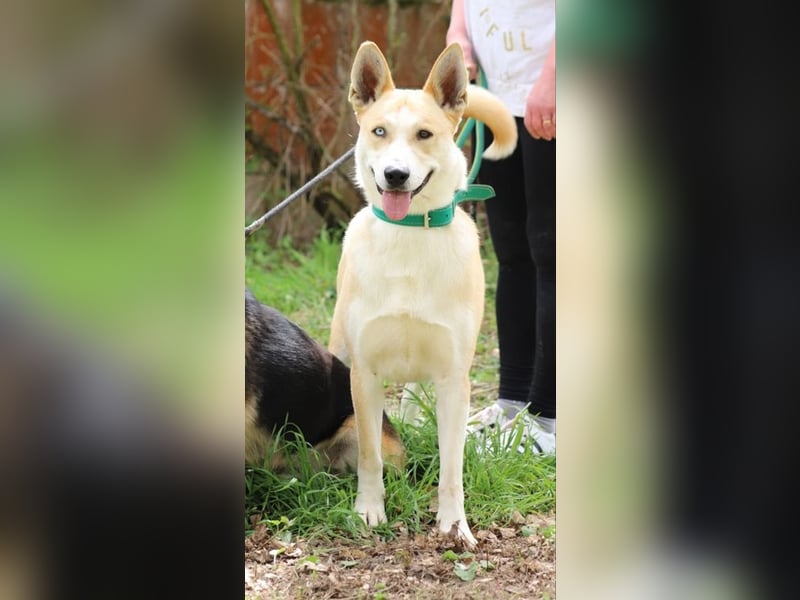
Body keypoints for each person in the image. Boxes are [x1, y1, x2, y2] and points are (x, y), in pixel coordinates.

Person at [446, 0, 556, 454]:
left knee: (554, 252)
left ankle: (551, 418)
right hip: (497, 100)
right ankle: (513, 406)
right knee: (512, 252)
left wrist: (553, 79)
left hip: (551, 95)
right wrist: (460, 34)